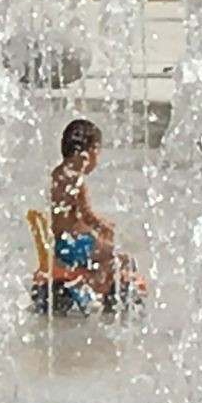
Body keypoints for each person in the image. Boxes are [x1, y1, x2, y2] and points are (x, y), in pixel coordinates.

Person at [50, 119, 132, 297]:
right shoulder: (76, 181)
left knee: (105, 246)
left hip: (61, 242)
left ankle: (89, 283)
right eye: (97, 153)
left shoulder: (57, 174)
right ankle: (96, 288)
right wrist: (103, 226)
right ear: (88, 153)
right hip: (74, 245)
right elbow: (86, 216)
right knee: (116, 255)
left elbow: (70, 215)